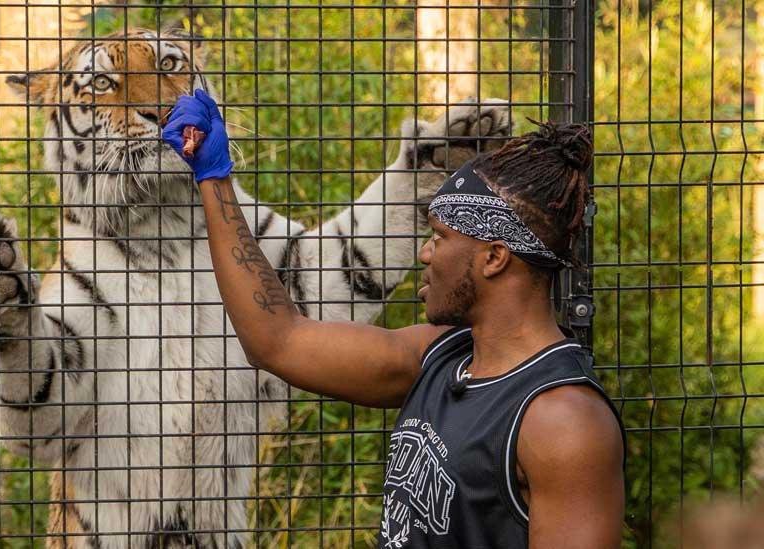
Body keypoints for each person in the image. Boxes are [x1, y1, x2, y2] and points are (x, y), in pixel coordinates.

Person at [162, 89, 624, 548]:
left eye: (439, 238)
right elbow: (276, 339)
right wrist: (214, 178)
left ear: (494, 258)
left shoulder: (564, 422)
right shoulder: (437, 358)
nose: (425, 252)